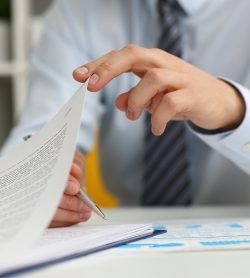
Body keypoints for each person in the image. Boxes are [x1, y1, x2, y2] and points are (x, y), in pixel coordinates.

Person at [1, 0, 250, 226]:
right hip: (133, 241)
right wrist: (34, 177)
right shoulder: (77, 11)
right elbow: (40, 130)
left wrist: (235, 110)